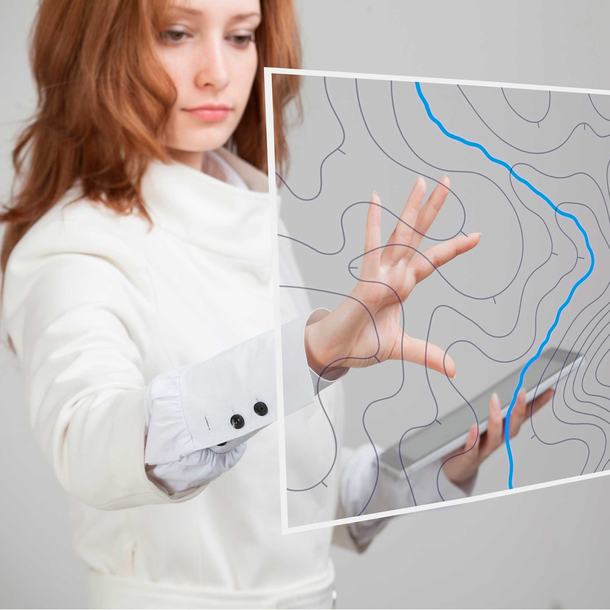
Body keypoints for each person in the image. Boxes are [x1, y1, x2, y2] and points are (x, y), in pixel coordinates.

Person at [0, 0, 554, 607]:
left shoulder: (253, 217)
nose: (217, 71)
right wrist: (311, 353)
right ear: (98, 48)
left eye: (241, 37)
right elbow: (90, 444)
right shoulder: (73, 249)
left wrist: (443, 462)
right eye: (177, 33)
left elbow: (300, 501)